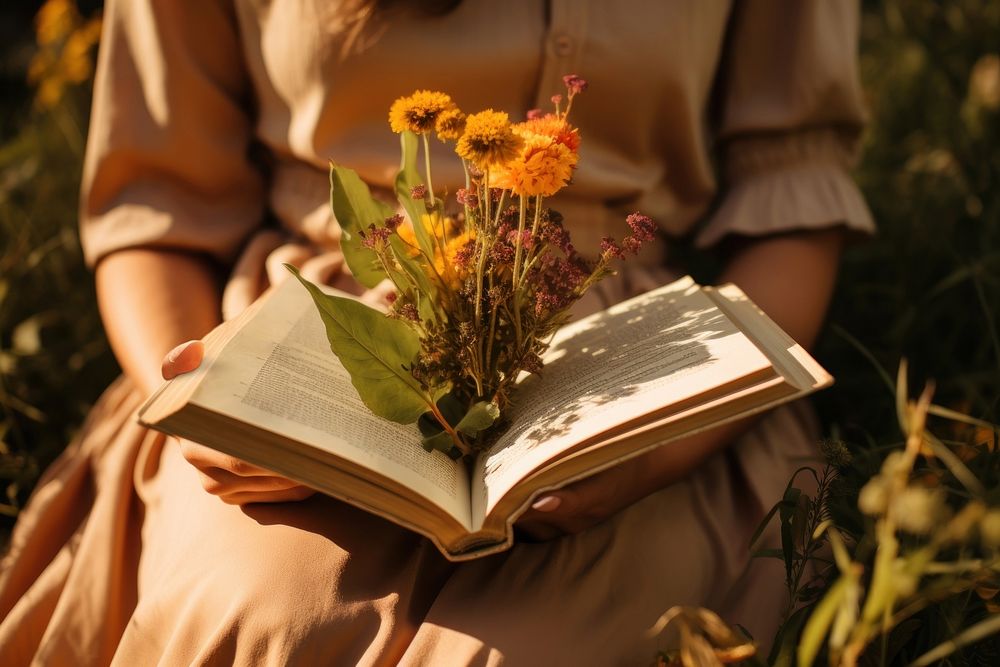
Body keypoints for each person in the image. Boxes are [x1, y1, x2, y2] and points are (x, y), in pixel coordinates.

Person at [0, 0, 874, 664]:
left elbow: (790, 202)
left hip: (631, 378)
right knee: (265, 619)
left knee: (522, 652)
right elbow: (155, 212)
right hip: (310, 339)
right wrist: (213, 403)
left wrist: (657, 452)